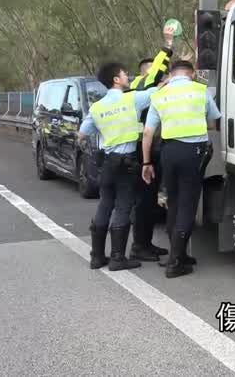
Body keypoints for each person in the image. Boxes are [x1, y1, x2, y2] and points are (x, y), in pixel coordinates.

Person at [142, 60, 221, 278]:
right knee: (188, 204)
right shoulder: (200, 90)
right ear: (192, 74)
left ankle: (179, 254)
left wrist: (147, 163)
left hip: (168, 152)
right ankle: (176, 262)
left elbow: (148, 133)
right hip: (193, 153)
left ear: (171, 74)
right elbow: (214, 123)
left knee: (174, 203)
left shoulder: (159, 95)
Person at [78, 62, 153, 272]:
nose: (128, 76)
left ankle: (97, 257)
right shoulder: (132, 99)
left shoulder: (97, 107)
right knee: (123, 207)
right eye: (124, 74)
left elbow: (82, 134)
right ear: (116, 80)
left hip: (107, 163)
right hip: (126, 162)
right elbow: (158, 91)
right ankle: (118, 258)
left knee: (105, 204)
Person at [127, 22, 180, 262]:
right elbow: (158, 70)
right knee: (145, 201)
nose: (163, 77)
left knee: (147, 201)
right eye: (157, 72)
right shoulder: (142, 85)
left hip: (145, 148)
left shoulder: (141, 87)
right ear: (145, 72)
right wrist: (167, 45)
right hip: (141, 150)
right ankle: (140, 246)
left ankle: (145, 243)